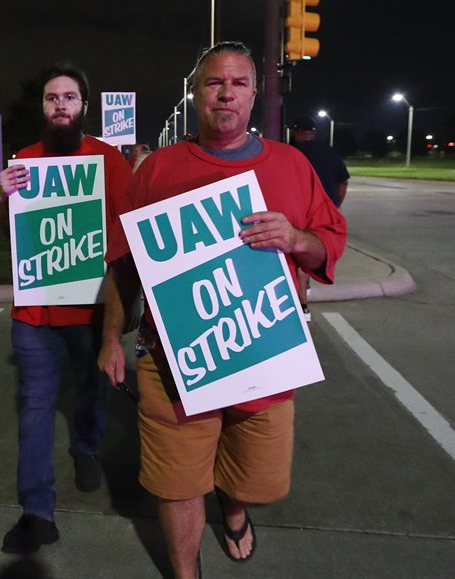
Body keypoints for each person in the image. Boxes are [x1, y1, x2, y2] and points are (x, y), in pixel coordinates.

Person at [98, 41, 346, 578]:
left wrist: (297, 237)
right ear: (195, 93)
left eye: (237, 83)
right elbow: (122, 265)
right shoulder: (156, 170)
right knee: (177, 482)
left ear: (254, 95)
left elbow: (327, 244)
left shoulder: (292, 165)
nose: (225, 93)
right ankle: (186, 572)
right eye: (214, 83)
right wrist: (108, 338)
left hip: (264, 351)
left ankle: (233, 508)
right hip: (172, 360)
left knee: (259, 479)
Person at [0, 63, 133, 555]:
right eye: (52, 98)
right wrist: (1, 197)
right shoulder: (24, 161)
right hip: (34, 315)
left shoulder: (108, 160)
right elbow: (9, 231)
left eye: (69, 97)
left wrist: (117, 315)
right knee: (33, 407)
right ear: (43, 107)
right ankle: (36, 511)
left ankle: (85, 446)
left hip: (90, 310)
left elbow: (123, 234)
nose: (59, 105)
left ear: (83, 107)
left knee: (92, 389)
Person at [290, 116, 350, 320]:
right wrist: (335, 206)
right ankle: (304, 295)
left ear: (296, 132)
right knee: (313, 253)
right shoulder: (330, 152)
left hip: (301, 209)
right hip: (325, 212)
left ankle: (302, 305)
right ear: (313, 132)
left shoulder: (292, 153)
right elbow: (343, 182)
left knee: (299, 252)